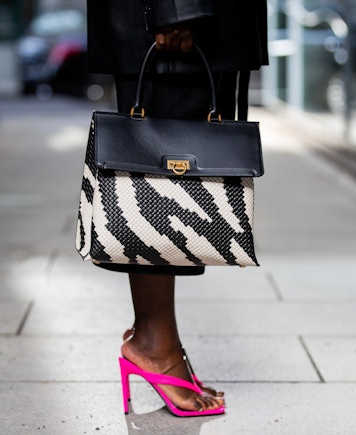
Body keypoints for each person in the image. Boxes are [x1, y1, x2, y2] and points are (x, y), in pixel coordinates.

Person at [86, 0, 268, 416]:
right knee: (155, 186)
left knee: (160, 182)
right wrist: (176, 8)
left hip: (190, 21)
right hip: (175, 22)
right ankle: (152, 342)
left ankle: (160, 339)